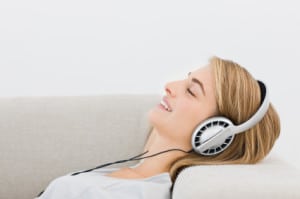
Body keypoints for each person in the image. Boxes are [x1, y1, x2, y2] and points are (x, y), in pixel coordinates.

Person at [36, 56, 280, 199]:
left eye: (191, 91)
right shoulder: (129, 176)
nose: (170, 85)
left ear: (213, 135)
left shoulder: (139, 193)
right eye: (185, 79)